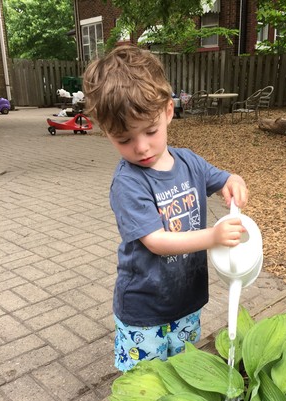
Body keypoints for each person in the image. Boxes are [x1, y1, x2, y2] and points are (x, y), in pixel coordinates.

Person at [83, 45, 248, 372]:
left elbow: (223, 180)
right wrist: (213, 236)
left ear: (168, 111)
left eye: (150, 131)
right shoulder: (128, 182)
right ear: (106, 133)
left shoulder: (189, 161)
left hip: (186, 300)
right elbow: (156, 241)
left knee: (183, 372)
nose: (141, 147)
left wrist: (233, 182)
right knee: (146, 385)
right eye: (124, 139)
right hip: (145, 308)